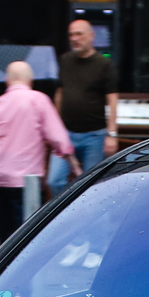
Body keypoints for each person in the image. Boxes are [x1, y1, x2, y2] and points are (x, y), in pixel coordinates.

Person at [0, 59, 72, 236]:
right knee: (24, 235)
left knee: (5, 233)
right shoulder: (39, 100)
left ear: (7, 80)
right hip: (25, 178)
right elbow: (58, 137)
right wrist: (71, 160)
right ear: (31, 79)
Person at [52, 19, 114, 192]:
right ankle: (62, 216)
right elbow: (60, 94)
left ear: (91, 36)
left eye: (79, 34)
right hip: (65, 133)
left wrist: (112, 134)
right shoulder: (65, 60)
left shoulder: (104, 63)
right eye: (71, 34)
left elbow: (112, 100)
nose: (74, 38)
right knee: (54, 180)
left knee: (90, 186)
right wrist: (54, 128)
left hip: (94, 135)